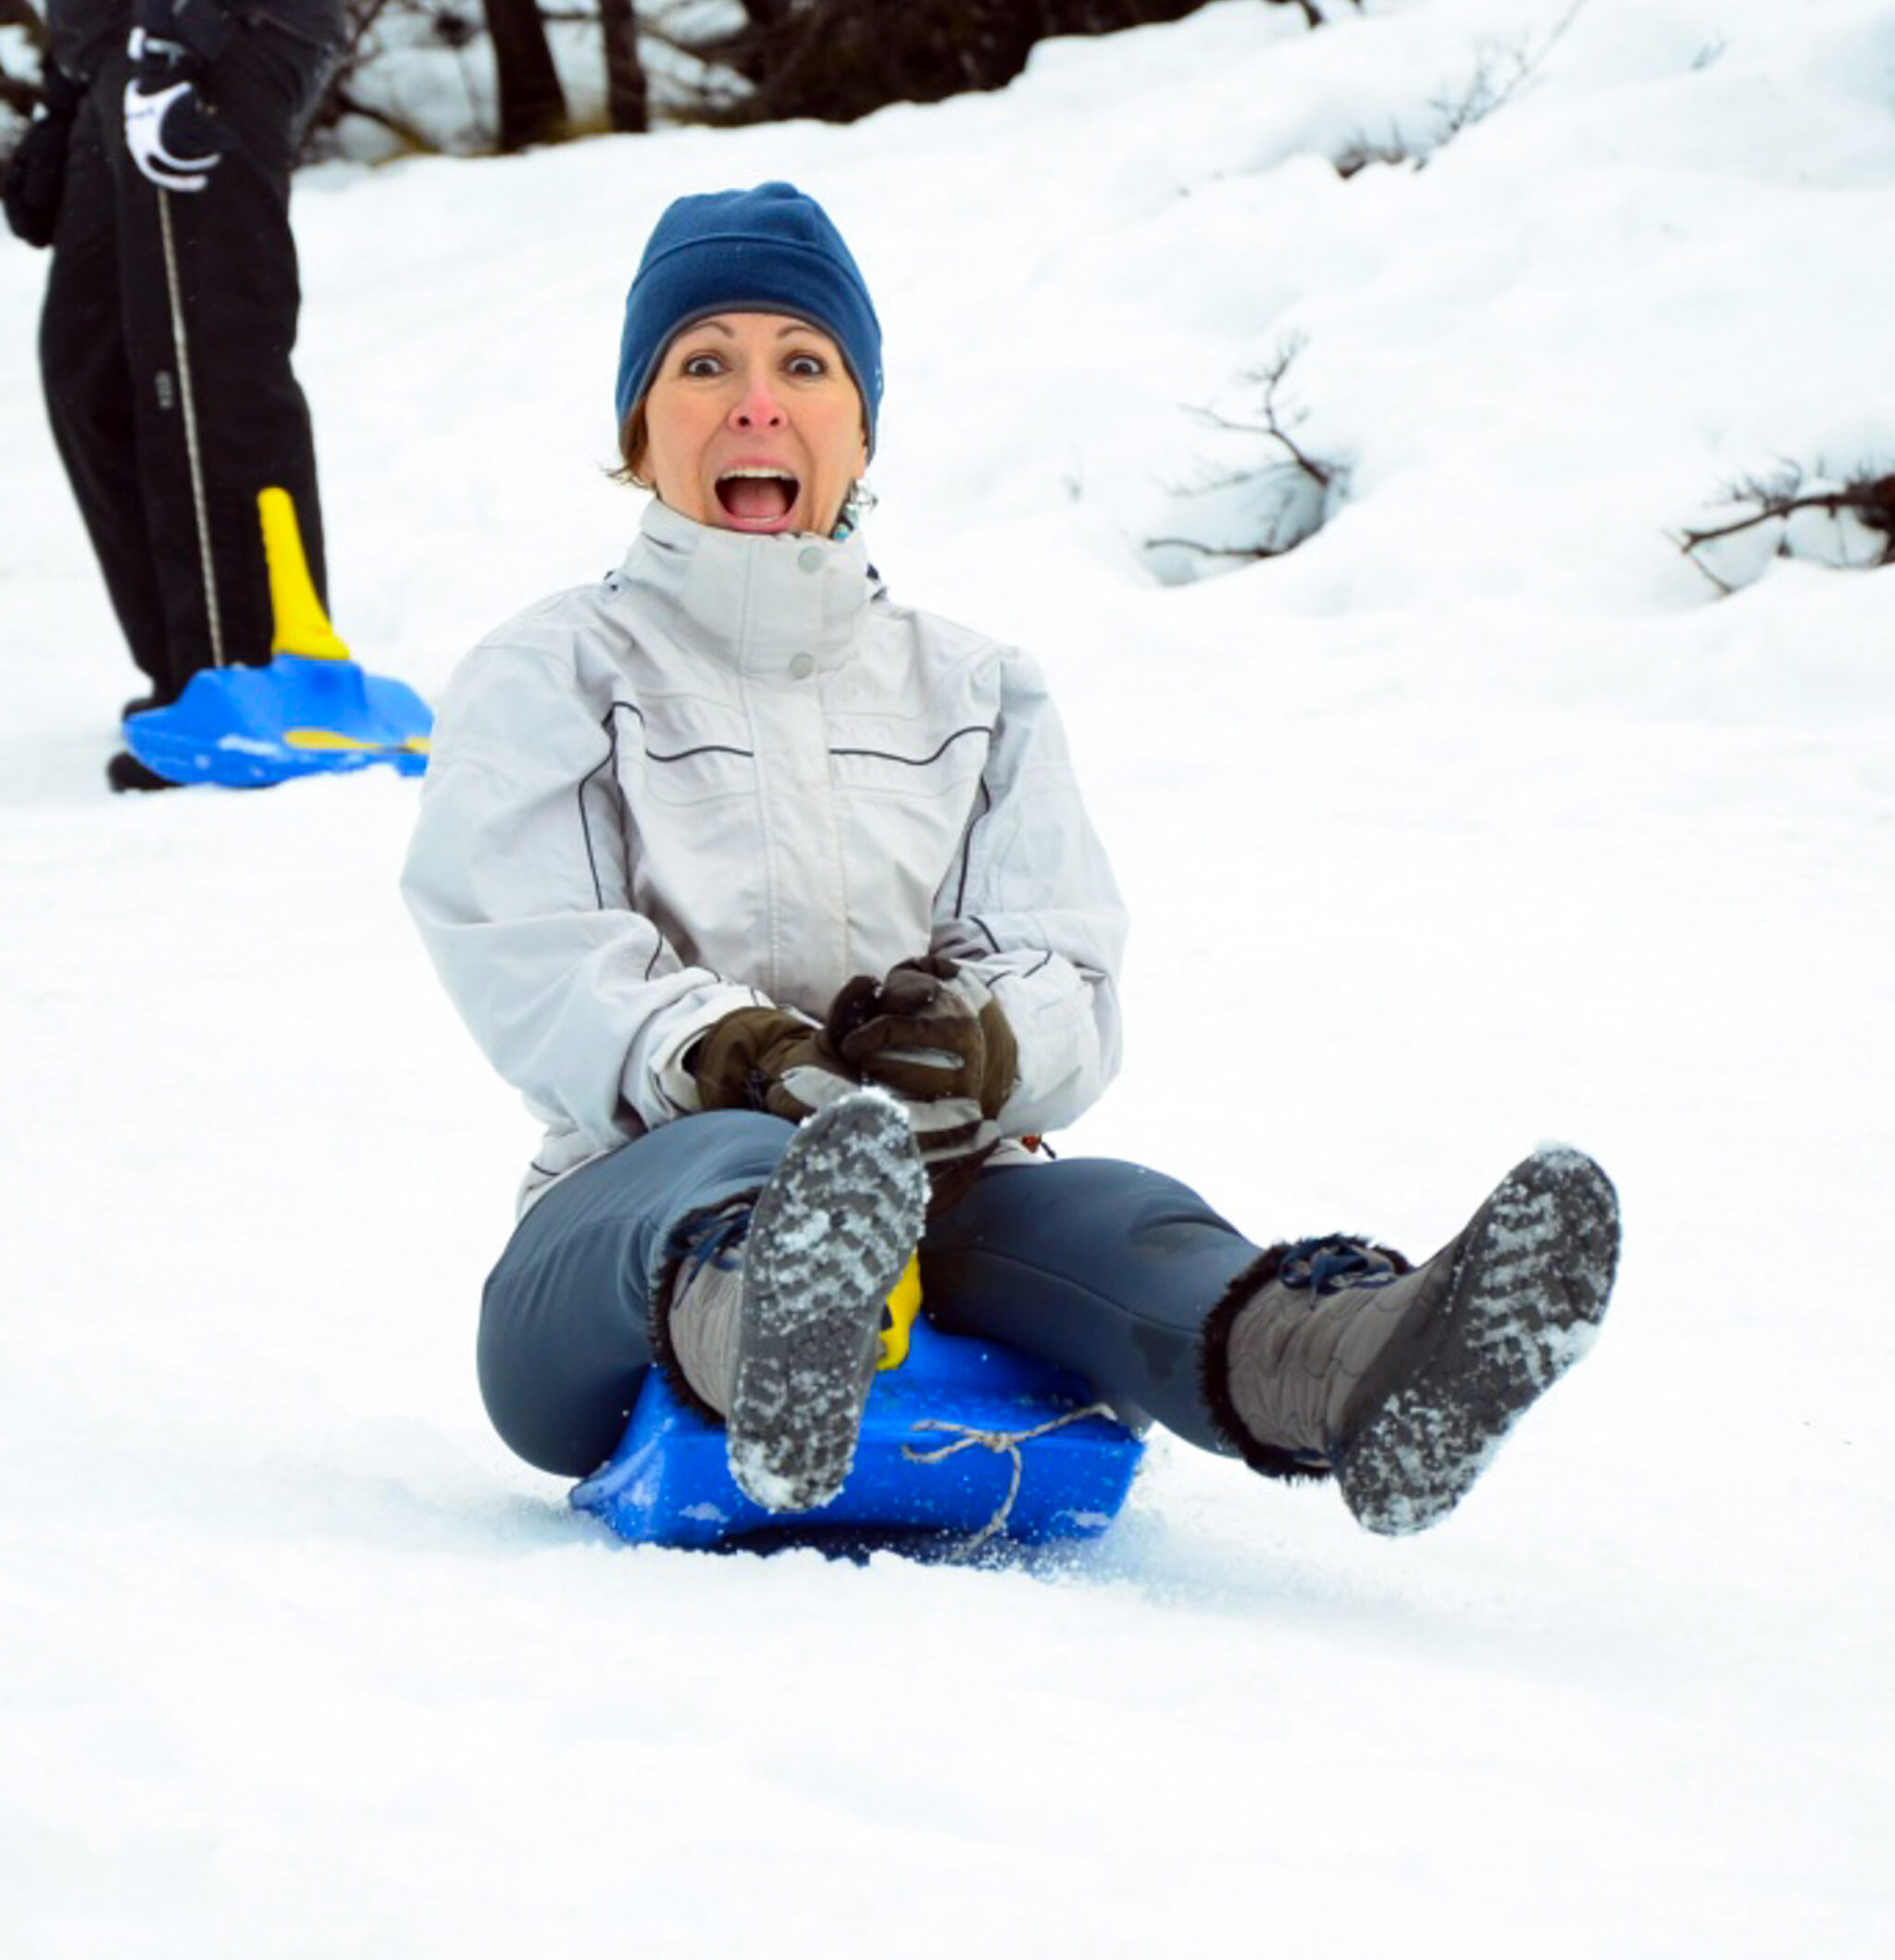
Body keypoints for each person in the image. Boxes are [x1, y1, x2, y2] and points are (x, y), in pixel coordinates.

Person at [401, 181, 1621, 1536]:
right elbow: (532, 947)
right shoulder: (554, 671)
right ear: (639, 430)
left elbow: (1063, 961)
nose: (755, 404)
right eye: (703, 366)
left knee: (1115, 1216)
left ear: (862, 426)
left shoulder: (975, 686)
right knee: (732, 1162)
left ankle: (1353, 1367)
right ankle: (776, 1329)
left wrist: (979, 1042)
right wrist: (730, 1051)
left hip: (940, 1187)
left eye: (804, 365)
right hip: (613, 1247)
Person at [3, 0, 345, 792]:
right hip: (137, 33)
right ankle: (195, 679)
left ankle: (261, 680)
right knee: (95, 364)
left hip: (221, 10)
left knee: (205, 351)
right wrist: (69, 92)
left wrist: (179, 25)